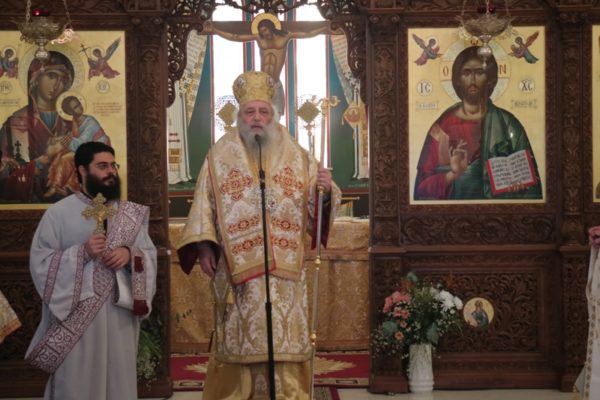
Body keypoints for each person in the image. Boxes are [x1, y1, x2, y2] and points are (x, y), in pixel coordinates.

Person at [176, 70, 340, 399]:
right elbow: (203, 203)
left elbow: (317, 205)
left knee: (284, 335)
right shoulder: (219, 156)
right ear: (240, 115)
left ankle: (288, 392)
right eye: (250, 111)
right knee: (242, 335)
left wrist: (323, 192)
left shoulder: (297, 154)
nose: (256, 118)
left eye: (263, 111)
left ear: (273, 114)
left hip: (285, 271)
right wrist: (205, 246)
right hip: (238, 269)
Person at [25, 141, 157, 400]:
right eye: (102, 166)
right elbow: (40, 263)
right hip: (76, 319)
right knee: (77, 381)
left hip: (119, 316)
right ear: (82, 170)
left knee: (118, 379)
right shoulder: (58, 214)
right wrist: (82, 253)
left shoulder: (127, 213)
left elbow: (148, 255)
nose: (111, 172)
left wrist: (129, 254)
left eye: (113, 166)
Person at [413, 46, 543, 200]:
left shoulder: (507, 124)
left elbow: (532, 188)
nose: (473, 80)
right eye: (466, 73)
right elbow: (421, 189)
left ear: (490, 79)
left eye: (480, 72)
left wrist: (518, 188)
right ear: (457, 80)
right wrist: (453, 174)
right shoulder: (443, 127)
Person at [205, 14, 329, 115]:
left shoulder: (286, 36)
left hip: (275, 82)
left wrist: (324, 28)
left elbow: (308, 34)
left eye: (265, 30)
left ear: (271, 27)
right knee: (260, 115)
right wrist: (215, 30)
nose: (263, 33)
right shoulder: (259, 38)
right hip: (262, 84)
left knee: (276, 116)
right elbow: (236, 36)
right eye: (261, 31)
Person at [0, 51, 74, 202]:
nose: (56, 85)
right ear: (35, 77)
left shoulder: (71, 123)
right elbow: (4, 177)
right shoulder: (15, 122)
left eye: (63, 80)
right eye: (51, 76)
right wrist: (45, 159)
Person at [43, 96, 111, 198]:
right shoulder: (75, 122)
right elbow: (73, 136)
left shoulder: (90, 122)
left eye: (78, 104)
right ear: (70, 112)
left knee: (65, 158)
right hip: (85, 148)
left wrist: (64, 140)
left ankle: (63, 186)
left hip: (97, 150)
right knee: (60, 155)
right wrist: (58, 139)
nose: (80, 107)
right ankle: (56, 186)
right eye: (75, 107)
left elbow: (81, 143)